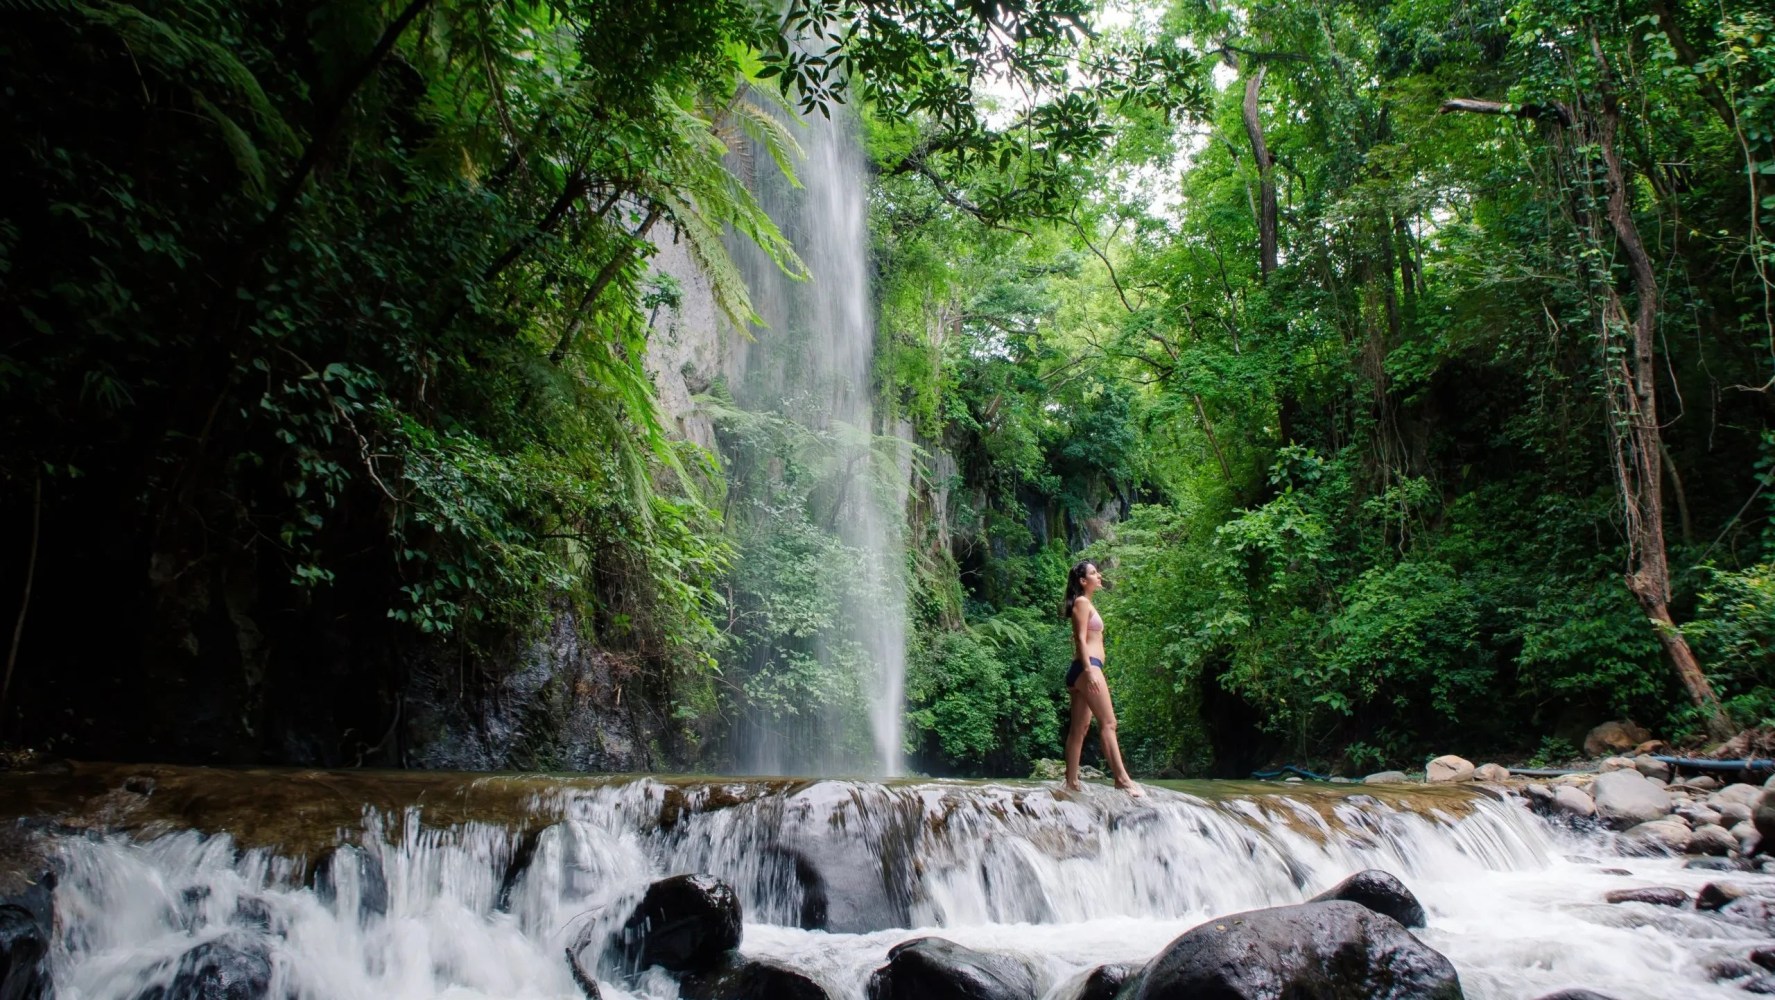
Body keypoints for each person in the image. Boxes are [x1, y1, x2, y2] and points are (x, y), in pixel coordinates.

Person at [1060, 560, 1142, 796]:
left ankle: (1072, 783)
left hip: (1083, 670)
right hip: (1088, 668)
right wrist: (1088, 671)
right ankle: (1122, 779)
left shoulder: (1084, 603)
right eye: (1094, 573)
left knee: (1080, 728)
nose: (1099, 575)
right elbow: (1080, 639)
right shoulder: (1082, 602)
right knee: (1109, 723)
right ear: (1083, 581)